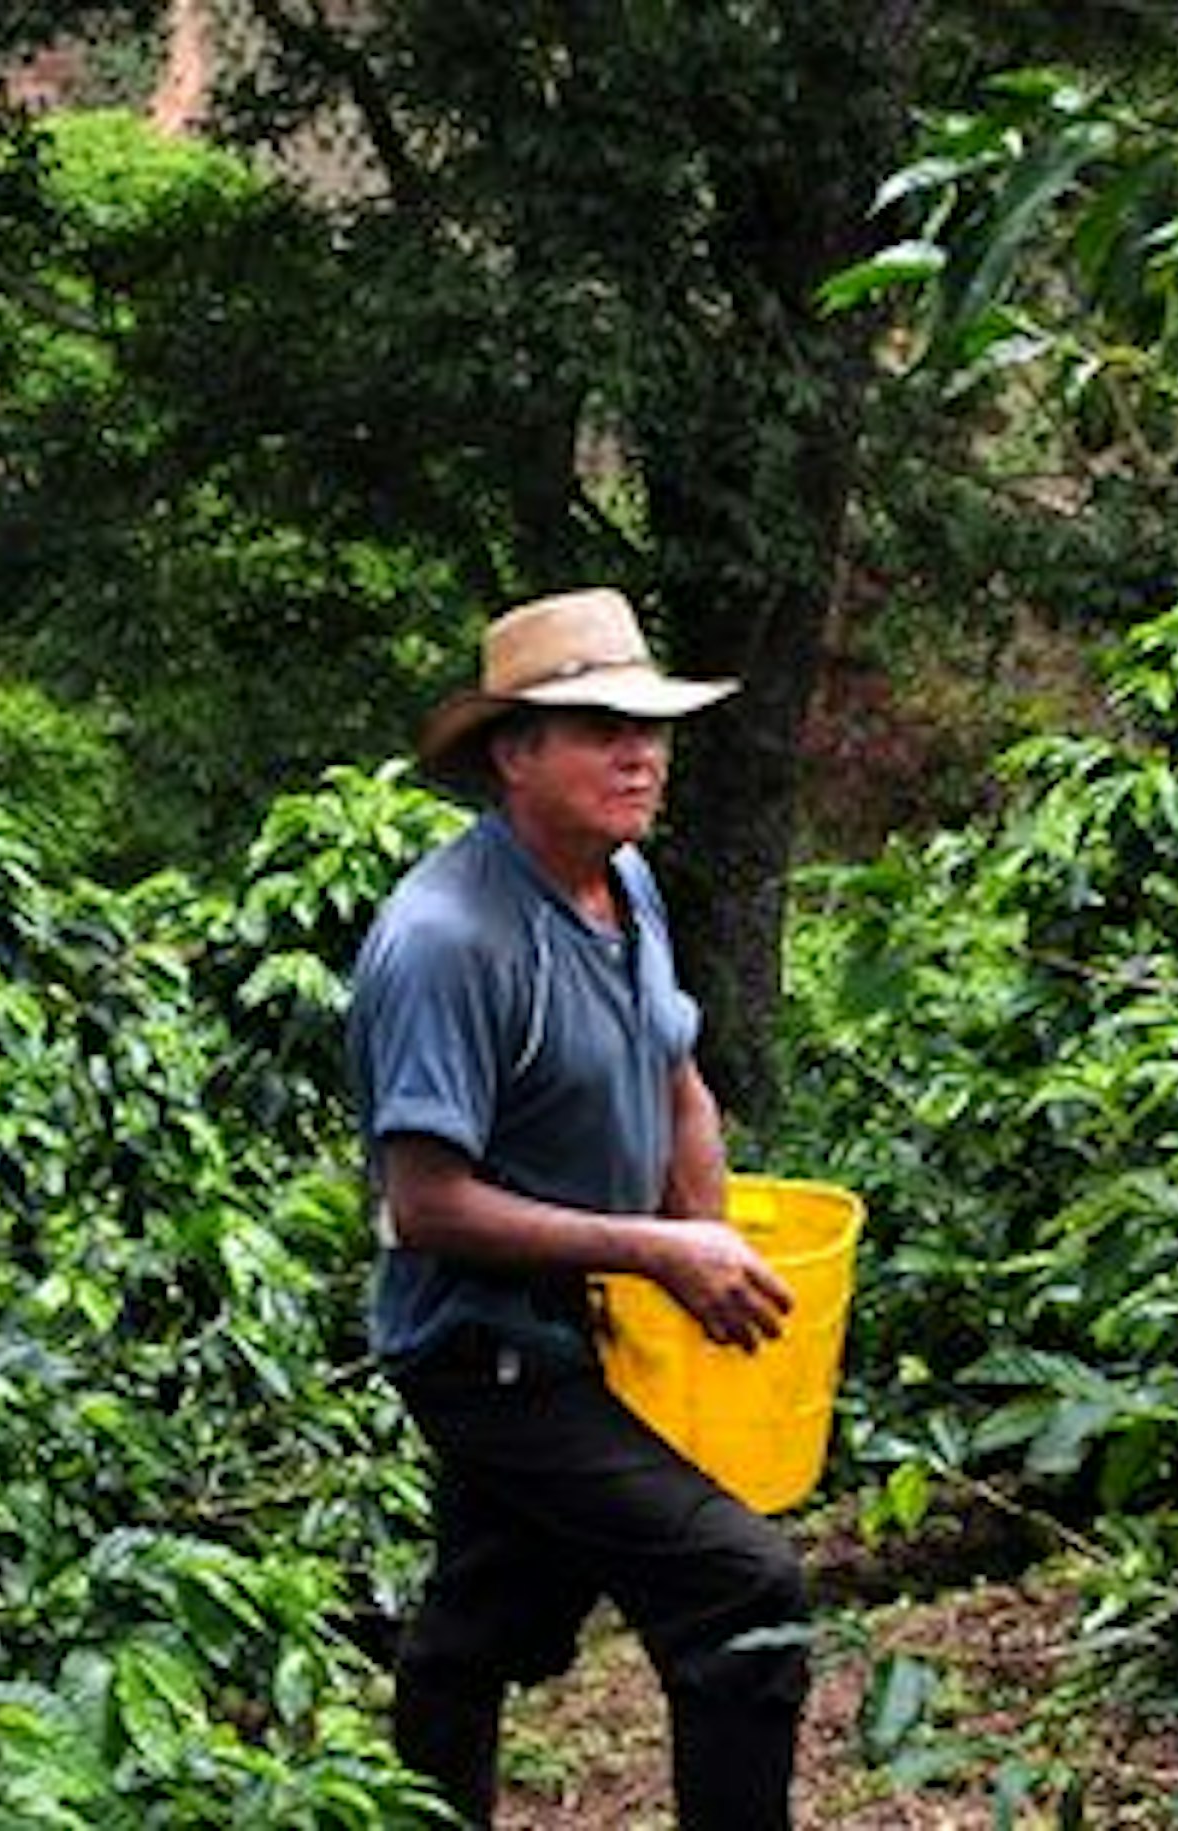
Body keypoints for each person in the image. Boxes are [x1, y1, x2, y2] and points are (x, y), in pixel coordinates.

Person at [345, 587, 811, 1828]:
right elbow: (427, 1203)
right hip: (483, 1343)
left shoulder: (626, 883)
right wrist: (657, 1250)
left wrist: (699, 1247)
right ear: (513, 752)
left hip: (594, 1319)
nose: (639, 754)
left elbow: (678, 1076)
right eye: (600, 726)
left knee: (484, 1620)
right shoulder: (448, 940)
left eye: (649, 726)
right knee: (741, 1586)